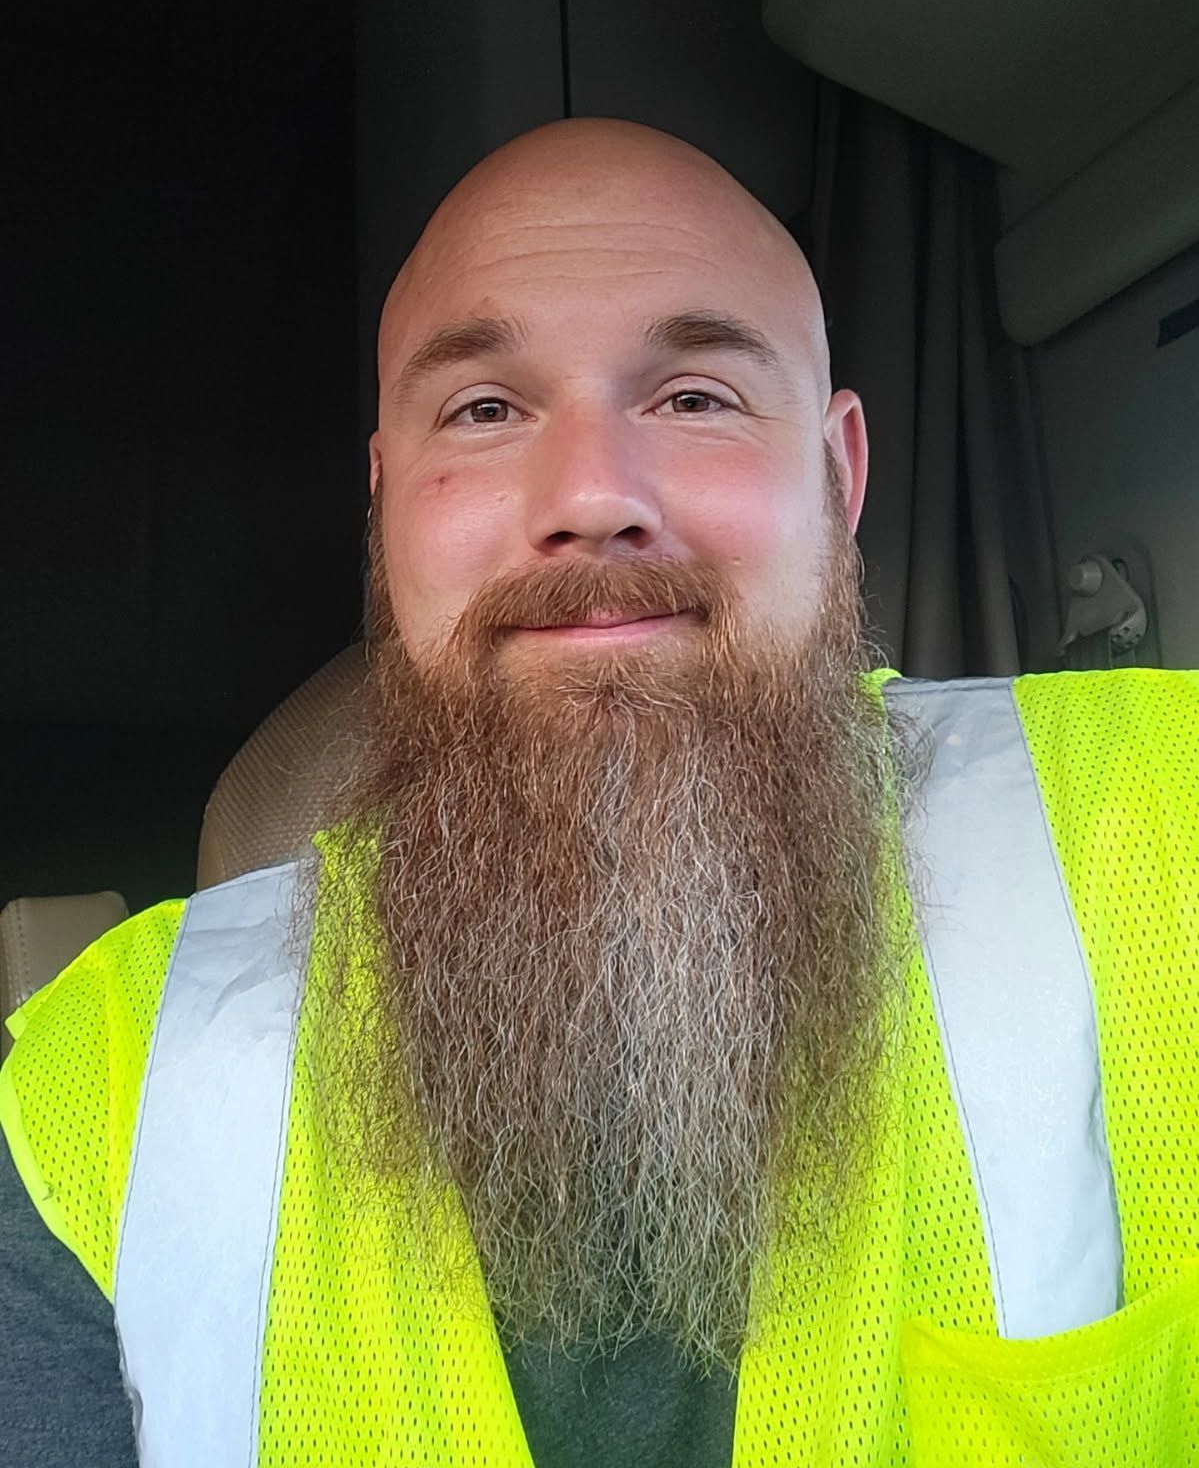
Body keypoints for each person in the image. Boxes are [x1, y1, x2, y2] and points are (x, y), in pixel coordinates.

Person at [2, 118, 1197, 1468]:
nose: (589, 498)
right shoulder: (94, 1096)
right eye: (487, 409)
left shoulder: (1166, 824)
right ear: (387, 519)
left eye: (693, 397)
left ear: (839, 476)